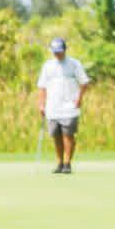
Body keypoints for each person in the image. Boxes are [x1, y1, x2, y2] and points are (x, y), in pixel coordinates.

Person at [35, 36, 89, 174]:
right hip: (52, 107)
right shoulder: (48, 66)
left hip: (70, 107)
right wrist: (41, 104)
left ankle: (67, 163)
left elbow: (84, 83)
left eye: (59, 51)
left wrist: (79, 99)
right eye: (55, 52)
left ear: (65, 50)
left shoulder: (74, 64)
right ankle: (59, 162)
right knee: (56, 136)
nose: (57, 54)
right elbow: (42, 87)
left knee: (68, 135)